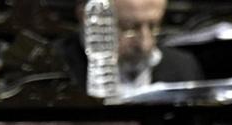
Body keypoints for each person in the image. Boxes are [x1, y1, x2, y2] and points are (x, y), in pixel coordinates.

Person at [55, 0, 203, 94]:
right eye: (128, 28)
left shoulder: (184, 69)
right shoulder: (54, 69)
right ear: (88, 17)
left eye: (153, 26)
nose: (145, 44)